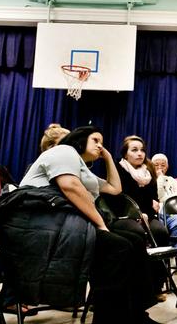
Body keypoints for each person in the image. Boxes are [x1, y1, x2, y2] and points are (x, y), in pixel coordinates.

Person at [19, 126, 161, 324]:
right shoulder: (64, 151)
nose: (100, 145)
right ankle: (107, 319)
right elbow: (70, 186)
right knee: (118, 247)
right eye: (96, 140)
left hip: (68, 225)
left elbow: (115, 188)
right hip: (45, 226)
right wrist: (101, 224)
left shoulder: (81, 167)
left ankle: (136, 314)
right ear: (79, 139)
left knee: (136, 240)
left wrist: (109, 158)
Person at [116, 135, 170, 246]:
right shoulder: (118, 169)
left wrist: (147, 214)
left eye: (142, 150)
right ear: (125, 154)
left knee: (160, 232)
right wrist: (138, 214)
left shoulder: (148, 172)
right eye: (134, 150)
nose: (140, 153)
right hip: (124, 215)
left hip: (147, 214)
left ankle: (157, 263)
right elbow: (122, 197)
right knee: (137, 232)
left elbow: (153, 200)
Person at [151, 153, 177, 246]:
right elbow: (159, 196)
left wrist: (165, 200)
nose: (160, 167)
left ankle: (174, 251)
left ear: (167, 167)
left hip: (171, 212)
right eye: (156, 165)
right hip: (156, 213)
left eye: (163, 165)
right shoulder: (148, 179)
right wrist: (160, 178)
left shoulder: (171, 179)